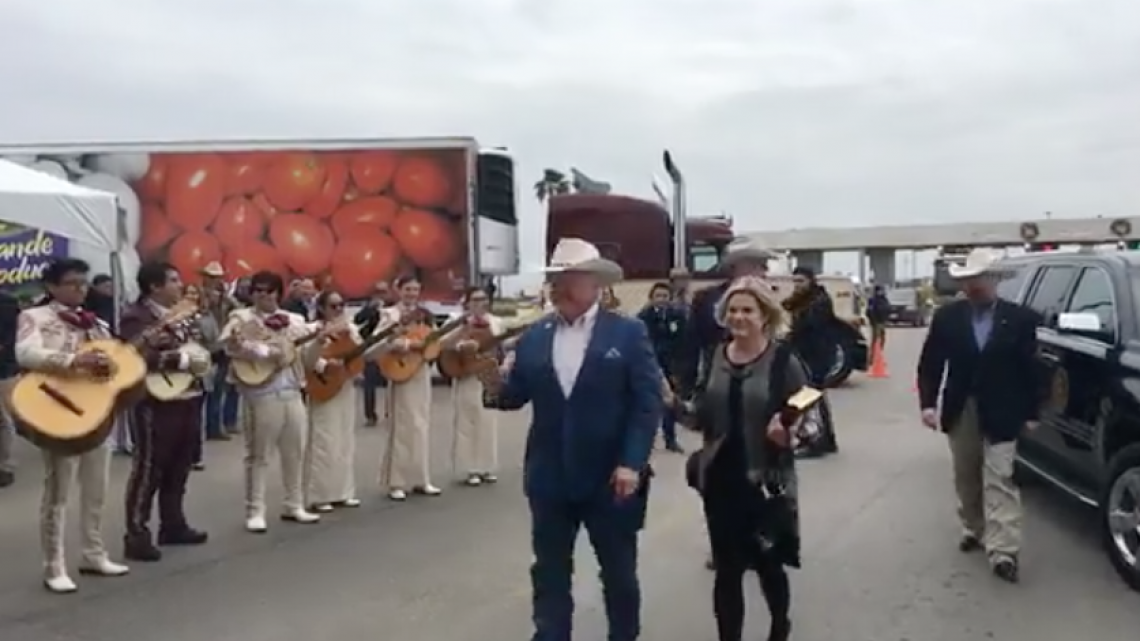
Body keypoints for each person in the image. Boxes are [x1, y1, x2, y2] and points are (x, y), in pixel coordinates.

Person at [482, 238, 659, 641]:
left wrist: (632, 462)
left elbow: (646, 405)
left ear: (595, 282)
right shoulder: (536, 335)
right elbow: (514, 396)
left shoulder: (628, 333)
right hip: (550, 478)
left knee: (618, 575)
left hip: (612, 478)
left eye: (569, 277)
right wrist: (493, 383)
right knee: (549, 573)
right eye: (555, 278)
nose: (559, 286)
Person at [916, 249, 1041, 584]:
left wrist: (1032, 411)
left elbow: (1031, 368)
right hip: (963, 407)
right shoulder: (948, 318)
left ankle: (1003, 551)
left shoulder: (1021, 319)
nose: (974, 286)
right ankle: (974, 526)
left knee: (1000, 476)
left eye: (980, 279)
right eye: (969, 280)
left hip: (1004, 408)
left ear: (995, 281)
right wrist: (928, 404)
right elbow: (931, 363)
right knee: (966, 474)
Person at [688, 276, 803, 641]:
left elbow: (809, 405)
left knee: (768, 564)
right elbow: (700, 413)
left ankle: (779, 627)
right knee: (727, 569)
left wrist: (788, 429)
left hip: (766, 479)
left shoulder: (783, 358)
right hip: (721, 478)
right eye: (733, 310)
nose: (739, 317)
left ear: (764, 315)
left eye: (747, 310)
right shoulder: (715, 356)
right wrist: (671, 403)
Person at [14, 258, 130, 593]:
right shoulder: (34, 317)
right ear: (51, 287)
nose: (80, 289)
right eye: (72, 283)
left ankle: (93, 552)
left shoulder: (98, 324)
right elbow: (26, 353)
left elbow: (114, 362)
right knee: (58, 492)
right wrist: (71, 360)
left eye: (83, 283)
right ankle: (54, 564)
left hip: (95, 410)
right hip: (57, 410)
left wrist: (111, 365)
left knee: (98, 488)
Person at [677, 239, 777, 570]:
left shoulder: (770, 298)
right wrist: (687, 385)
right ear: (736, 266)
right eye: (755, 263)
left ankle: (758, 536)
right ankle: (721, 541)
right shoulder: (708, 300)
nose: (761, 270)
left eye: (763, 265)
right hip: (718, 393)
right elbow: (693, 344)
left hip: (761, 397)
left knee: (762, 473)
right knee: (716, 474)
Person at [120, 262, 211, 562]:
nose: (180, 284)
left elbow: (199, 348)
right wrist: (180, 360)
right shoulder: (137, 317)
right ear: (154, 286)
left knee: (180, 464)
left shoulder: (187, 314)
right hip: (153, 401)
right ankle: (136, 533)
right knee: (150, 467)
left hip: (187, 395)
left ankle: (173, 524)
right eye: (173, 279)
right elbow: (133, 357)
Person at [220, 270, 323, 532]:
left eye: (268, 290)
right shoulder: (242, 317)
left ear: (279, 293)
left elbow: (306, 358)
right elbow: (229, 345)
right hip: (261, 391)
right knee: (258, 454)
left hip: (291, 389)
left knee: (295, 451)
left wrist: (319, 341)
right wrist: (266, 351)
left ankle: (294, 503)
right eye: (258, 290)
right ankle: (255, 510)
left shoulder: (294, 320)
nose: (263, 296)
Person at [305, 289, 381, 512]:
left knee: (345, 438)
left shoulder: (351, 329)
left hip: (345, 386)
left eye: (341, 305)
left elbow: (361, 353)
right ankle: (320, 494)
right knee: (324, 440)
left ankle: (344, 491)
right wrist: (324, 365)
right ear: (322, 308)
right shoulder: (313, 330)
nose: (338, 310)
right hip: (323, 385)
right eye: (333, 306)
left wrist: (385, 340)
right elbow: (306, 357)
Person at [378, 275, 442, 501]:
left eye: (415, 290)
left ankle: (420, 478)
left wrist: (428, 347)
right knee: (402, 426)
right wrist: (408, 344)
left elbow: (434, 341)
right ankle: (397, 481)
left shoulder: (425, 315)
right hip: (401, 369)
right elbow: (382, 341)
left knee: (421, 424)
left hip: (420, 371)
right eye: (407, 289)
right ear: (398, 290)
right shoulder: (390, 314)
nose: (411, 294)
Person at [446, 286, 504, 486]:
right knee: (466, 421)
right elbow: (443, 345)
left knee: (488, 421)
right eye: (475, 300)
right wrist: (461, 345)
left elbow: (503, 345)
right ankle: (469, 468)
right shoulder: (458, 321)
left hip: (487, 373)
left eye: (483, 299)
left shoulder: (496, 322)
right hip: (466, 373)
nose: (480, 303)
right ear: (467, 302)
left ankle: (487, 467)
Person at [784, 266, 839, 457]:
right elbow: (787, 305)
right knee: (815, 397)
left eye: (801, 281)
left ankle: (816, 440)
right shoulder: (804, 299)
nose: (797, 285)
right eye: (795, 281)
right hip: (806, 354)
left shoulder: (819, 301)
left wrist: (788, 338)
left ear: (811, 281)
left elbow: (807, 327)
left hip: (817, 355)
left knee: (809, 397)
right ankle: (825, 439)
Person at [637, 282, 687, 453]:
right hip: (650, 365)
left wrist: (679, 368)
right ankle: (646, 439)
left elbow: (683, 342)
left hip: (671, 364)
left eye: (665, 296)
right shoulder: (643, 317)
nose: (661, 300)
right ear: (651, 298)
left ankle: (670, 439)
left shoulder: (677, 316)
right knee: (648, 404)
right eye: (658, 296)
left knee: (670, 403)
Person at [200, 262, 240, 442]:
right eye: (212, 277)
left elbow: (237, 309)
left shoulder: (225, 298)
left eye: (217, 277)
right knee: (210, 388)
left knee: (220, 388)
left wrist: (225, 298)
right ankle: (211, 426)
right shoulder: (198, 295)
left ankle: (216, 425)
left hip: (222, 345)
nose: (215, 281)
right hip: (206, 345)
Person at [354, 280, 392, 427]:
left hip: (388, 348)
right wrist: (371, 309)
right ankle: (370, 415)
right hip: (371, 347)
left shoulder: (393, 306)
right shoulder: (369, 306)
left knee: (392, 380)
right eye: (378, 292)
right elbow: (358, 320)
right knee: (369, 383)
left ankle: (390, 412)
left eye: (384, 292)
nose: (381, 295)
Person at [0, 288, 20, 488]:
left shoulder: (6, 302)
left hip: (3, 369)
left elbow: (7, 340)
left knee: (3, 418)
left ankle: (6, 467)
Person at [865, 284, 891, 350]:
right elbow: (868, 311)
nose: (881, 292)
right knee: (876, 338)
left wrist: (887, 317)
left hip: (883, 321)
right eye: (880, 290)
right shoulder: (872, 300)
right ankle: (874, 352)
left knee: (883, 338)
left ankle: (880, 351)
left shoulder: (884, 299)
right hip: (876, 322)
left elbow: (888, 308)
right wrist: (873, 320)